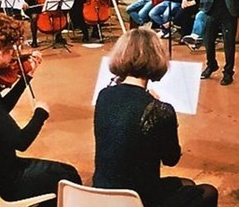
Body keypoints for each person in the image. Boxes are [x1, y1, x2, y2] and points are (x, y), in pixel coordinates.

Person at [0, 10, 81, 206]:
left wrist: (27, 78)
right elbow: (20, 141)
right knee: (68, 178)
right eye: (11, 48)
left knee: (63, 173)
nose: (14, 53)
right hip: (3, 179)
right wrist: (40, 113)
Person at [93, 28, 218, 207]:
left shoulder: (104, 95)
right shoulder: (160, 110)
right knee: (208, 192)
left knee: (186, 185)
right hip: (137, 199)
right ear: (156, 59)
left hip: (102, 193)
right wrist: (167, 118)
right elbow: (171, 159)